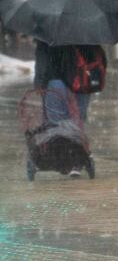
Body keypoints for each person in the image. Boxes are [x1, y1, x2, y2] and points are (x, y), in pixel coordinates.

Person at [34, 40, 106, 176]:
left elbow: (42, 55)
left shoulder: (49, 27)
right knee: (77, 120)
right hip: (82, 79)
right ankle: (77, 159)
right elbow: (99, 55)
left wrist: (39, 81)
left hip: (56, 79)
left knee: (59, 122)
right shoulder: (87, 27)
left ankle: (65, 157)